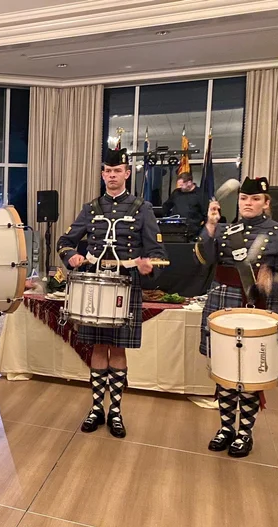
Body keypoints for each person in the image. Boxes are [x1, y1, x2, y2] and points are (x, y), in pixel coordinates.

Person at [56, 148, 167, 438]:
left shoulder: (142, 208)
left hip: (126, 282)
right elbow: (65, 241)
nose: (112, 175)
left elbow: (157, 252)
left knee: (117, 349)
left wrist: (148, 265)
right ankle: (96, 408)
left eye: (117, 171)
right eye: (107, 171)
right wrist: (72, 257)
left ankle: (115, 411)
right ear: (103, 174)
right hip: (95, 283)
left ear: (127, 173)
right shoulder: (91, 208)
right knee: (97, 347)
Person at [196, 177, 278, 458]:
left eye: (254, 199)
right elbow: (203, 259)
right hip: (225, 301)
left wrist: (270, 283)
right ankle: (226, 428)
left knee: (251, 372)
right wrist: (210, 226)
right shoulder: (225, 230)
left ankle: (244, 433)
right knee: (225, 369)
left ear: (266, 202)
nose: (248, 203)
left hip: (261, 305)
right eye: (243, 199)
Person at [161, 172, 205, 238]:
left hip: (193, 231)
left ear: (189, 183)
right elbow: (166, 207)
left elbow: (206, 214)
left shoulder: (200, 194)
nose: (180, 187)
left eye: (181, 185)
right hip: (175, 229)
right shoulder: (176, 193)